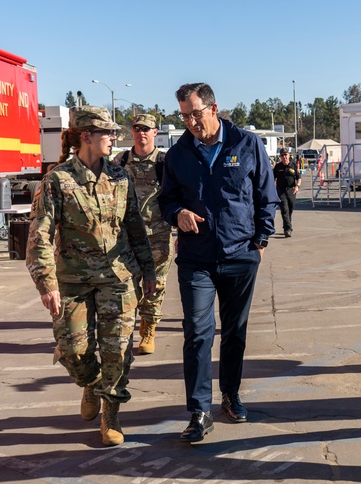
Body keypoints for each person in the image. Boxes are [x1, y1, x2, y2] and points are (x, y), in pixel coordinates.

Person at [26, 106, 157, 446]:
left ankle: (110, 413)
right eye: (107, 133)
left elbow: (135, 229)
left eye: (114, 133)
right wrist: (46, 284)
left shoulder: (119, 176)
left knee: (117, 349)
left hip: (118, 277)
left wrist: (149, 271)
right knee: (72, 349)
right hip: (73, 279)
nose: (114, 138)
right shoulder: (58, 181)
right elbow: (39, 235)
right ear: (85, 137)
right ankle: (90, 381)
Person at [158, 82, 279, 442]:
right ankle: (199, 411)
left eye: (195, 113)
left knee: (234, 332)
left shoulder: (246, 143)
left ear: (213, 108)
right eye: (184, 116)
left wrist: (260, 241)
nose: (191, 122)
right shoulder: (178, 154)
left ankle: (230, 395)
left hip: (240, 255)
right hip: (196, 258)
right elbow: (165, 201)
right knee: (197, 332)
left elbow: (266, 195)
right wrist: (177, 212)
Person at [114, 113, 172, 355]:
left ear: (155, 132)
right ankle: (123, 330)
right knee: (125, 285)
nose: (141, 133)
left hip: (157, 235)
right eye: (137, 128)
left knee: (154, 286)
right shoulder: (121, 159)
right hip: (127, 236)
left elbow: (176, 195)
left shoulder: (165, 162)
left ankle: (148, 331)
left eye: (146, 129)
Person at [273, 147, 301, 237]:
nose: (284, 157)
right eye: (282, 155)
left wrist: (297, 186)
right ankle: (288, 229)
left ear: (289, 155)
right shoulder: (278, 166)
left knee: (290, 210)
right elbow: (273, 178)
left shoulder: (293, 165)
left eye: (285, 155)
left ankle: (287, 226)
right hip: (281, 190)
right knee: (284, 209)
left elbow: (299, 177)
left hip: (291, 190)